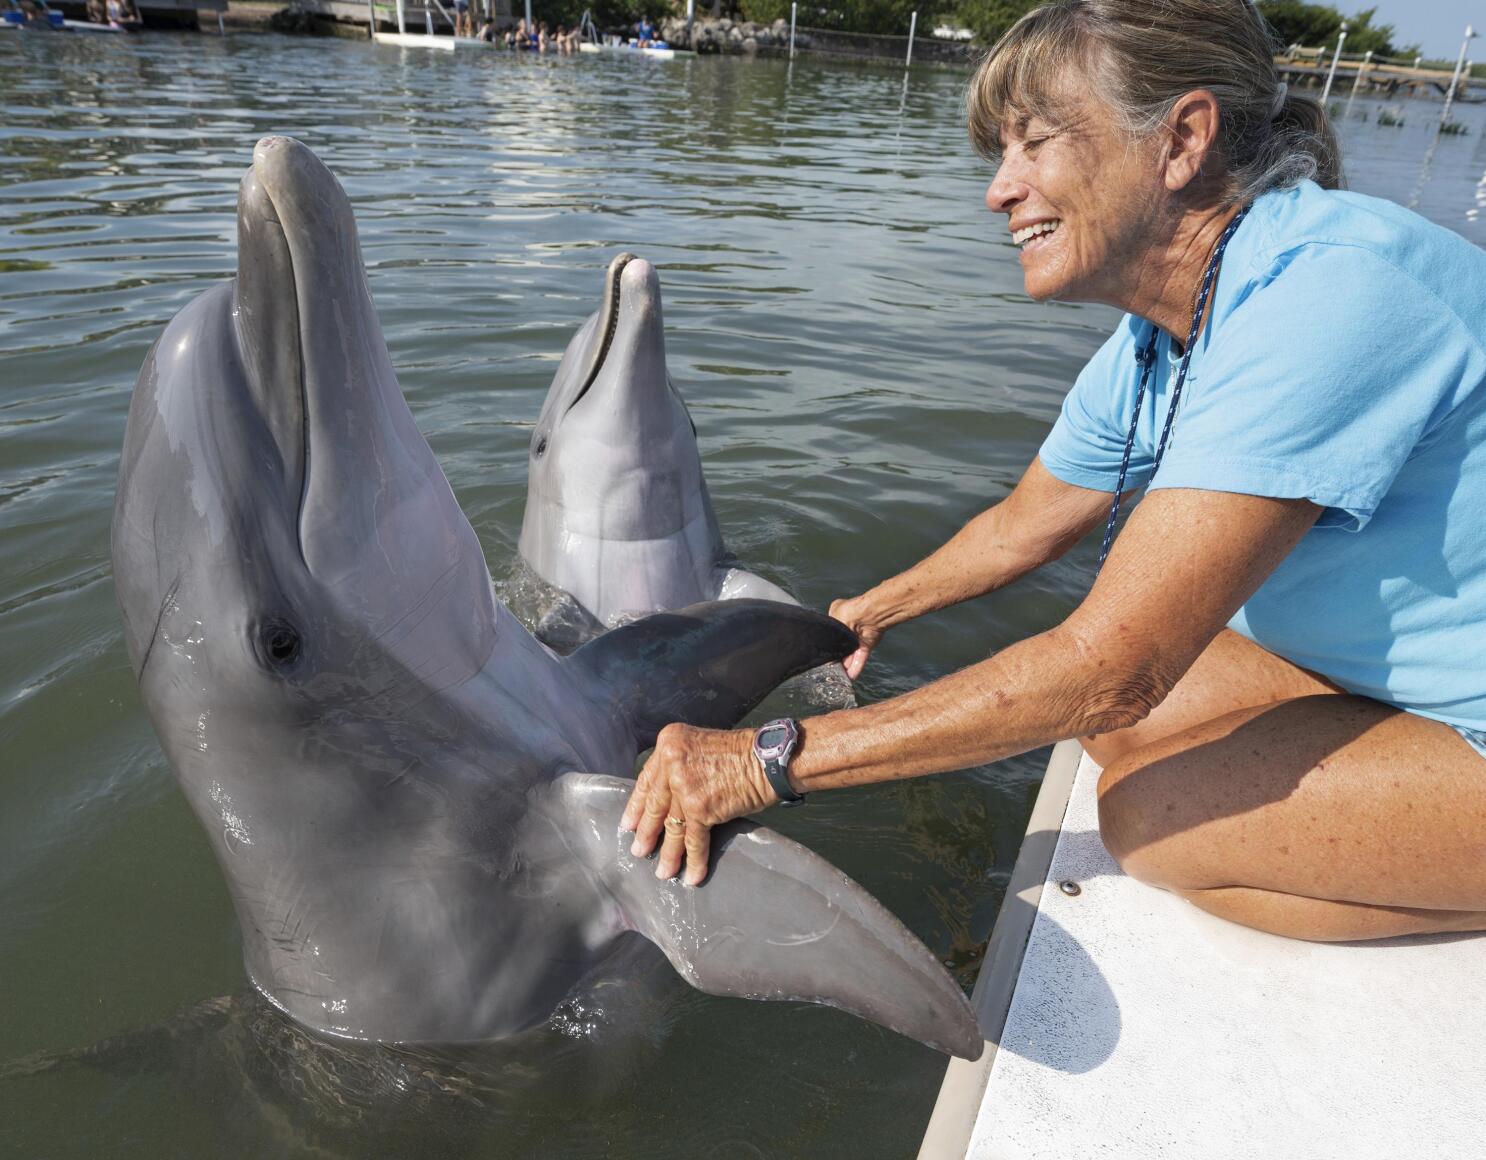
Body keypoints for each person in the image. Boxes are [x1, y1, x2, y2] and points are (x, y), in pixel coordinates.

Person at [621, 0, 1486, 943]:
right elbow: (1025, 524)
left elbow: (1115, 668)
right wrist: (865, 615)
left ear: (1182, 138)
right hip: (1418, 680)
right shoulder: (1168, 328)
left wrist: (765, 760)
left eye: (1033, 145)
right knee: (1114, 740)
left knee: (1147, 820)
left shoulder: (1327, 295)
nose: (1000, 190)